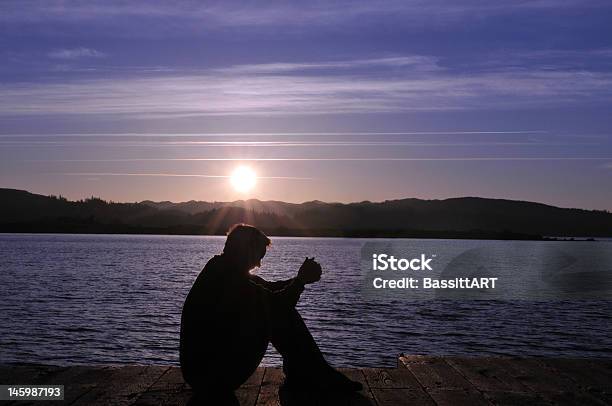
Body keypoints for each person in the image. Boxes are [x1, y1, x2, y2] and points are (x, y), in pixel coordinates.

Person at [180, 223, 362, 401]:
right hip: (212, 377)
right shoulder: (227, 276)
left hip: (204, 373)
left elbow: (267, 289)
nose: (259, 263)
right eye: (259, 256)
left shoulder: (221, 267)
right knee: (280, 312)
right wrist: (299, 282)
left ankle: (309, 374)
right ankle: (314, 375)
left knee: (277, 309)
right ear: (247, 250)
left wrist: (299, 280)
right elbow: (277, 304)